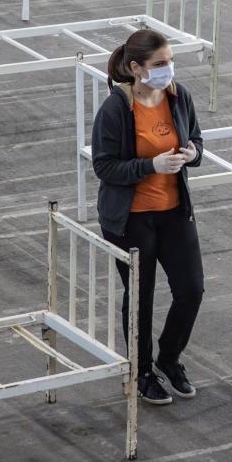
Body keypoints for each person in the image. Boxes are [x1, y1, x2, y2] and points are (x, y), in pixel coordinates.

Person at [90, 29, 206, 406]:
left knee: (191, 289)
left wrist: (191, 154)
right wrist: (149, 165)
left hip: (174, 211)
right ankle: (140, 371)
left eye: (170, 61)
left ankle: (168, 359)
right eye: (160, 64)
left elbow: (198, 140)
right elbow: (105, 167)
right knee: (140, 296)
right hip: (132, 219)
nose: (168, 69)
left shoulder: (178, 95)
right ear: (137, 68)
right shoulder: (116, 108)